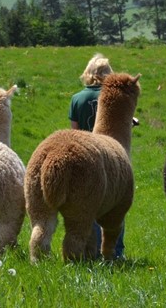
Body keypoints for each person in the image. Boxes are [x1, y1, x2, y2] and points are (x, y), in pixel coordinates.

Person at [68, 53, 125, 259]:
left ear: (88, 73)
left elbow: (74, 132)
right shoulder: (113, 96)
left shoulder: (77, 99)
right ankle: (115, 252)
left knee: (88, 205)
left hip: (85, 159)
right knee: (116, 205)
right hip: (110, 157)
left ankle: (90, 252)